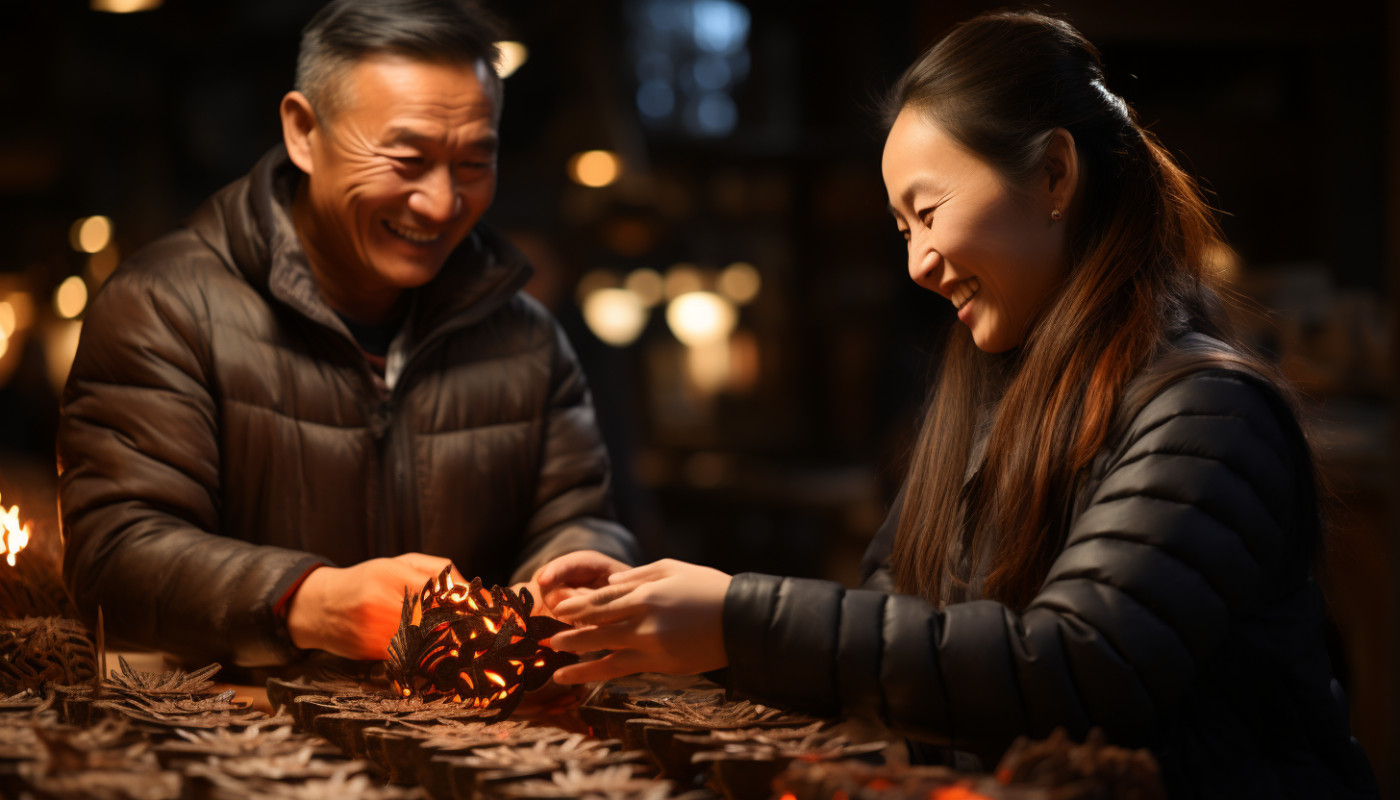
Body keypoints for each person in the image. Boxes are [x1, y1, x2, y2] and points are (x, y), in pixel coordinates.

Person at [536, 11, 1379, 796]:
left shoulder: (1208, 412)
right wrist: (665, 613)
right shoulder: (987, 391)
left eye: (929, 212)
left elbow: (1076, 668)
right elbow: (894, 630)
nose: (920, 263)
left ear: (1054, 174)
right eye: (903, 230)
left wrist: (737, 618)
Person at [57, 0, 638, 672]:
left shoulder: (528, 339)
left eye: (474, 163)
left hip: (472, 747)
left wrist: (568, 575)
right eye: (406, 158)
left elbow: (578, 513)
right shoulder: (164, 306)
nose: (442, 202)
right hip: (225, 750)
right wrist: (313, 601)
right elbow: (114, 555)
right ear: (304, 132)